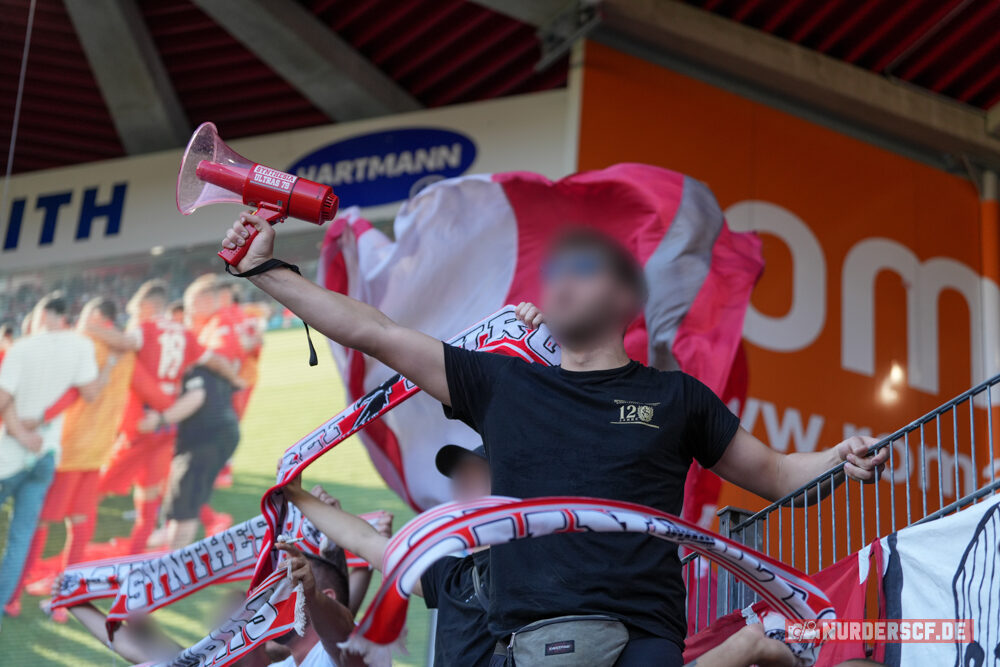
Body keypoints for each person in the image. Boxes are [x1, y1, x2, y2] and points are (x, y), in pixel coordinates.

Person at [222, 216, 888, 666]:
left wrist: (838, 458)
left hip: (643, 638)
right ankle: (745, 650)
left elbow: (773, 471)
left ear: (627, 298)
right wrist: (264, 269)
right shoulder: (501, 384)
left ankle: (746, 648)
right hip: (526, 642)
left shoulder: (675, 396)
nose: (560, 281)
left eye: (584, 270)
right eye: (557, 272)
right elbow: (375, 331)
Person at [284, 443, 495, 666]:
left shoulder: (523, 573)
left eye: (475, 479)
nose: (462, 490)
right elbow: (364, 541)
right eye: (461, 481)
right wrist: (296, 495)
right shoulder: (451, 576)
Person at [14, 298, 136, 620]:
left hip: (68, 446)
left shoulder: (84, 343)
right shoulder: (127, 347)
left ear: (95, 316)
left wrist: (36, 419)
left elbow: (75, 392)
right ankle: (65, 601)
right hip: (98, 449)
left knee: (36, 520)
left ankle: (15, 592)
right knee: (80, 523)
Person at [95, 280, 239, 554]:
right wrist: (235, 380)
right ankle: (137, 558)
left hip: (142, 426)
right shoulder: (184, 334)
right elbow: (216, 361)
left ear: (147, 306)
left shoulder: (144, 328)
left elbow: (125, 342)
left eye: (135, 307)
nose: (132, 312)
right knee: (152, 492)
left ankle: (72, 565)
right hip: (168, 424)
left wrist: (90, 327)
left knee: (92, 492)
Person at [0, 294, 101, 624]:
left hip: (10, 455)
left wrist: (20, 432)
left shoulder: (23, 347)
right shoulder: (80, 346)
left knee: (20, 536)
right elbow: (89, 392)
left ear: (42, 314)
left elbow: (2, 399)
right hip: (46, 453)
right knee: (20, 537)